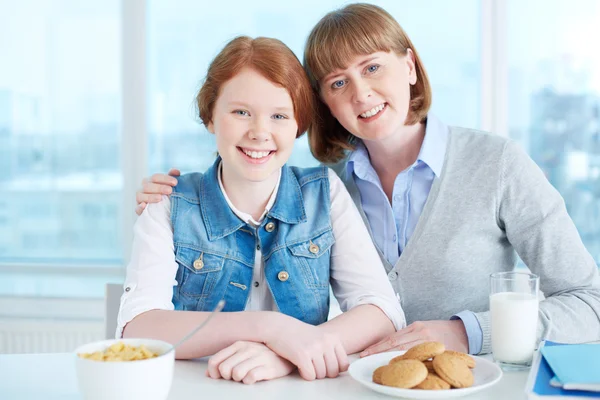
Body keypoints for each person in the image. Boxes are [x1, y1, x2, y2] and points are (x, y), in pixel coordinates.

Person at [136, 3, 600, 358]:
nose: (361, 93)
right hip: (358, 383)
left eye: (372, 67)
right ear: (322, 105)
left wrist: (464, 332)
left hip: (475, 383)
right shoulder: (322, 190)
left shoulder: (496, 163)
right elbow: (248, 153)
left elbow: (590, 303)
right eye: (337, 83)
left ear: (411, 67)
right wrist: (174, 199)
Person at [118, 35, 406, 385]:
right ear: (210, 116)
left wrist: (288, 353)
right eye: (241, 112)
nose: (259, 132)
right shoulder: (166, 201)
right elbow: (138, 327)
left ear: (298, 125)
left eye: (279, 116)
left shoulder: (325, 193)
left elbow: (382, 311)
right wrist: (271, 328)